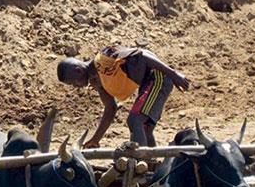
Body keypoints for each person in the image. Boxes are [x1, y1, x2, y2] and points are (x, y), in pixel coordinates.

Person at [57, 46, 190, 148]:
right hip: (147, 83)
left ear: (78, 71)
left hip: (158, 77)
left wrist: (174, 75)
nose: (76, 86)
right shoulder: (97, 81)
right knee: (144, 128)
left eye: (73, 82)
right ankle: (152, 168)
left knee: (135, 120)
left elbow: (142, 55)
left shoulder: (104, 60)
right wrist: (95, 140)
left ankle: (141, 164)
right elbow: (110, 109)